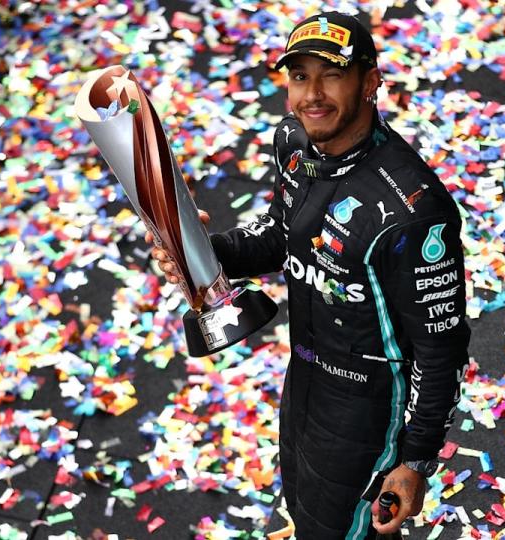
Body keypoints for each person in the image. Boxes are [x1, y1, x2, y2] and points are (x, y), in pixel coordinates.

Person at [147, 12, 470, 539]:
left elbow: (442, 347)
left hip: (368, 408)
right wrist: (201, 252)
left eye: (331, 74)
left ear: (370, 81)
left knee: (341, 530)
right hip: (305, 377)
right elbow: (283, 235)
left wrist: (415, 459)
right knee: (301, 499)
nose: (312, 94)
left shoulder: (413, 210)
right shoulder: (295, 144)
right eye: (300, 76)